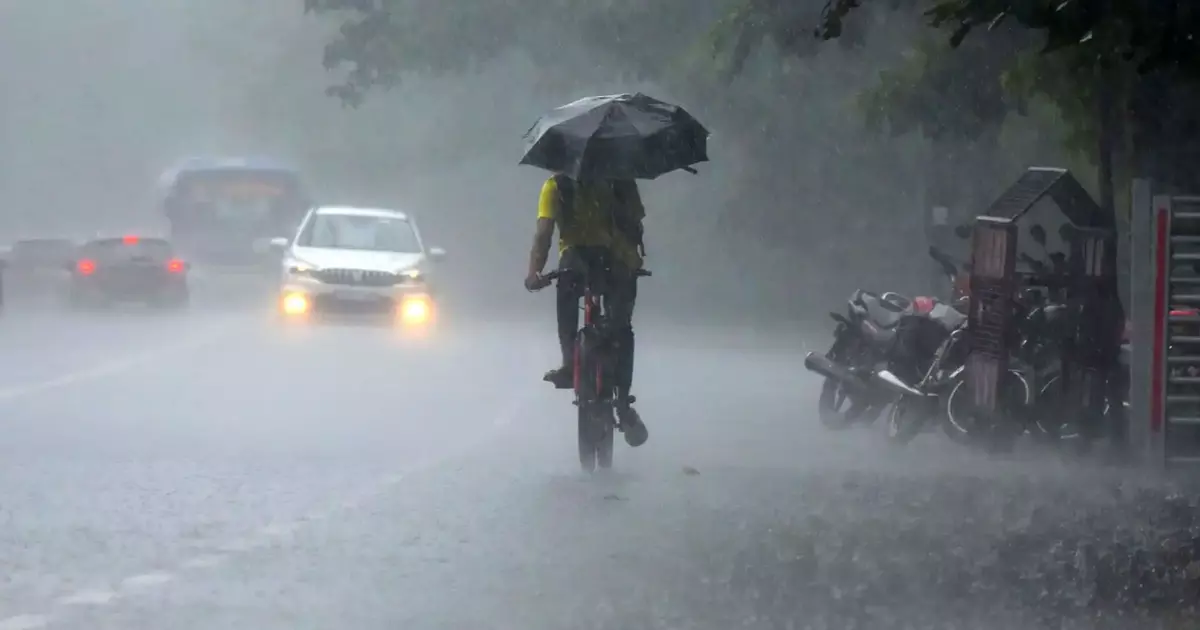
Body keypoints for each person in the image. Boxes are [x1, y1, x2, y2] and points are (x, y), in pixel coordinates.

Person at [524, 173, 647, 436]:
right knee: (622, 327)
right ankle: (623, 404)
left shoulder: (555, 185)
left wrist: (535, 273)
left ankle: (570, 362)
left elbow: (544, 233)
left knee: (566, 301)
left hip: (575, 261)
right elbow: (635, 223)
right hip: (614, 262)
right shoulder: (620, 179)